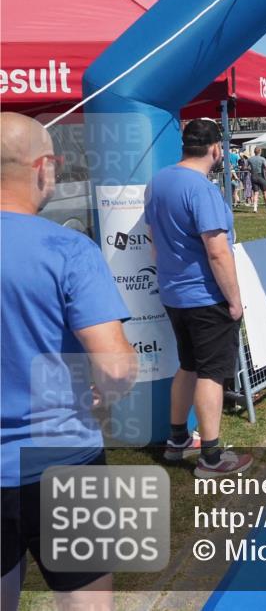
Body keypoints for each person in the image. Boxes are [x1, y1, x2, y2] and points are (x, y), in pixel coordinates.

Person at [1, 113, 137, 610]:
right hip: (65, 459)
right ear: (42, 167)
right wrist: (110, 385)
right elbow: (116, 366)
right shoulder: (68, 249)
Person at [145, 119, 252, 477]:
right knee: (211, 373)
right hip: (205, 295)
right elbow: (217, 251)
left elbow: (152, 238)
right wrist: (234, 300)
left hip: (174, 293)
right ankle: (211, 457)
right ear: (216, 149)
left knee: (189, 365)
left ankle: (177, 439)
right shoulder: (202, 189)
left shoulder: (158, 182)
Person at [247, 146, 266, 213]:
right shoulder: (262, 159)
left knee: (256, 193)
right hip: (260, 176)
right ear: (260, 151)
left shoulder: (250, 159)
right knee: (265, 192)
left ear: (254, 152)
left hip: (253, 176)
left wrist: (250, 170)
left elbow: (245, 167)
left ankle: (255, 208)